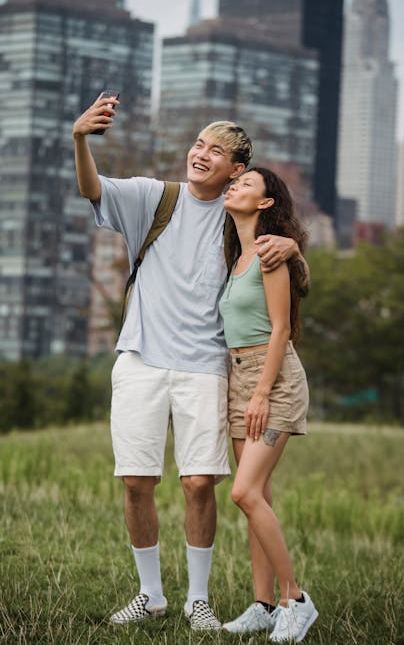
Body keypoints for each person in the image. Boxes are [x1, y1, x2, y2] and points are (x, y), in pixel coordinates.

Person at [72, 94, 307, 631]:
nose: (201, 153)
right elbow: (93, 188)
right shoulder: (155, 198)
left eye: (216, 149)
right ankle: (150, 593)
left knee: (200, 483)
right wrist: (80, 138)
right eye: (198, 143)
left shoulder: (237, 219)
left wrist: (294, 250)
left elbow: (280, 279)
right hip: (140, 360)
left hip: (206, 365)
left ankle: (198, 599)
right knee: (136, 480)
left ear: (236, 169)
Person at [219, 167, 318, 642]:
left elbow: (281, 328)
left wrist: (261, 392)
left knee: (244, 492)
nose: (233, 186)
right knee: (258, 495)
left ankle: (294, 600)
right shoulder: (237, 256)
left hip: (272, 382)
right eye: (233, 183)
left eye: (245, 184)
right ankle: (261, 606)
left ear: (264, 203)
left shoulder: (269, 251)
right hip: (240, 377)